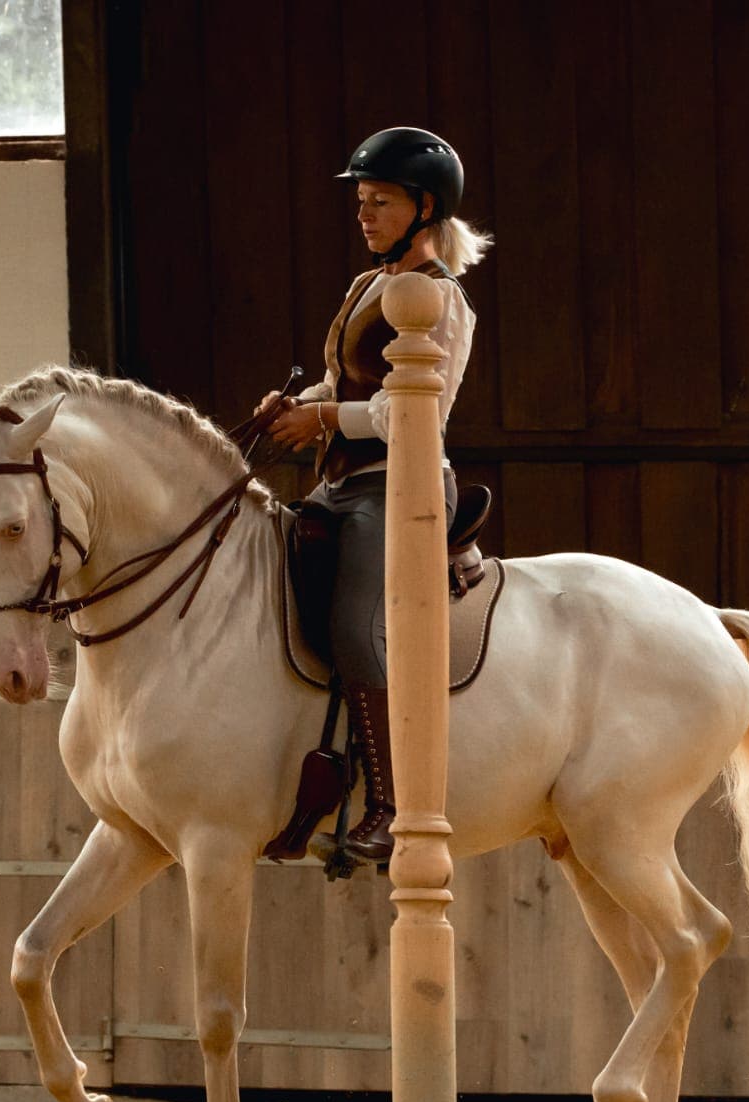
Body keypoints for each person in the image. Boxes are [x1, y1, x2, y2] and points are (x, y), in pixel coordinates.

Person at [256, 126, 492, 863]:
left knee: (358, 629)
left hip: (398, 488)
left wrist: (321, 417)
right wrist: (293, 405)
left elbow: (408, 413)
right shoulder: (367, 285)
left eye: (380, 202)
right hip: (338, 485)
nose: (364, 215)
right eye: (361, 202)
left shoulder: (443, 302)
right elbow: (354, 382)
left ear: (425, 208)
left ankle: (391, 806)